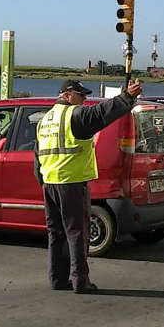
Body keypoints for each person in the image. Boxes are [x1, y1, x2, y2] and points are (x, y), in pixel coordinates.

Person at [35, 79, 143, 294]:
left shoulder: (44, 120)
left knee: (56, 233)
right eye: (81, 95)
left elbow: (37, 156)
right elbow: (102, 113)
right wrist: (128, 97)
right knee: (77, 233)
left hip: (50, 183)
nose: (84, 100)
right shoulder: (74, 115)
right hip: (71, 182)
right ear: (67, 95)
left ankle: (57, 279)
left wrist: (43, 181)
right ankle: (80, 281)